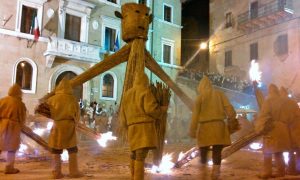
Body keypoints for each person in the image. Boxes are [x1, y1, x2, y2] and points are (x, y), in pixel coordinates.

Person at [120, 71, 167, 180]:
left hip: (132, 129)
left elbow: (122, 115)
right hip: (144, 129)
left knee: (134, 154)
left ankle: (133, 176)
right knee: (140, 156)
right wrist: (161, 110)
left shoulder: (127, 94)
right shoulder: (145, 92)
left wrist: (126, 126)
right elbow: (151, 109)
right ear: (145, 81)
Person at [189, 76, 236, 180]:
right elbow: (229, 108)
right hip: (218, 127)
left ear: (201, 87)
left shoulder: (200, 98)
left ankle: (203, 173)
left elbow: (195, 116)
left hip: (205, 127)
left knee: (203, 150)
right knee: (217, 151)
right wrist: (232, 118)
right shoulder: (219, 94)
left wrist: (192, 129)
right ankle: (215, 173)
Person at [46, 79, 83, 179]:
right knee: (72, 149)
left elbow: (46, 112)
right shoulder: (72, 99)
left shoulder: (52, 99)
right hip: (69, 126)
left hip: (57, 126)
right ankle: (74, 172)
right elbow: (77, 114)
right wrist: (75, 122)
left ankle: (56, 173)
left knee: (56, 150)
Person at [255, 84, 292, 178]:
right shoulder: (285, 102)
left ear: (270, 91)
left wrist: (259, 127)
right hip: (283, 128)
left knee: (267, 152)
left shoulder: (269, 101)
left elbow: (264, 115)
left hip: (272, 128)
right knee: (279, 152)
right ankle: (281, 171)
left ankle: (267, 172)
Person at [0, 84, 26, 174]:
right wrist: (22, 126)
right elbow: (22, 118)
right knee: (12, 148)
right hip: (13, 126)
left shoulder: (2, 100)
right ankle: (9, 167)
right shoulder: (20, 104)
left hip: (2, 125)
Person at [279, 86, 300, 175]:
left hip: (289, 129)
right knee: (298, 150)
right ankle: (298, 169)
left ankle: (291, 169)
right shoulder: (293, 102)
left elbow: (283, 117)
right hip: (296, 128)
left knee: (291, 151)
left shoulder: (281, 103)